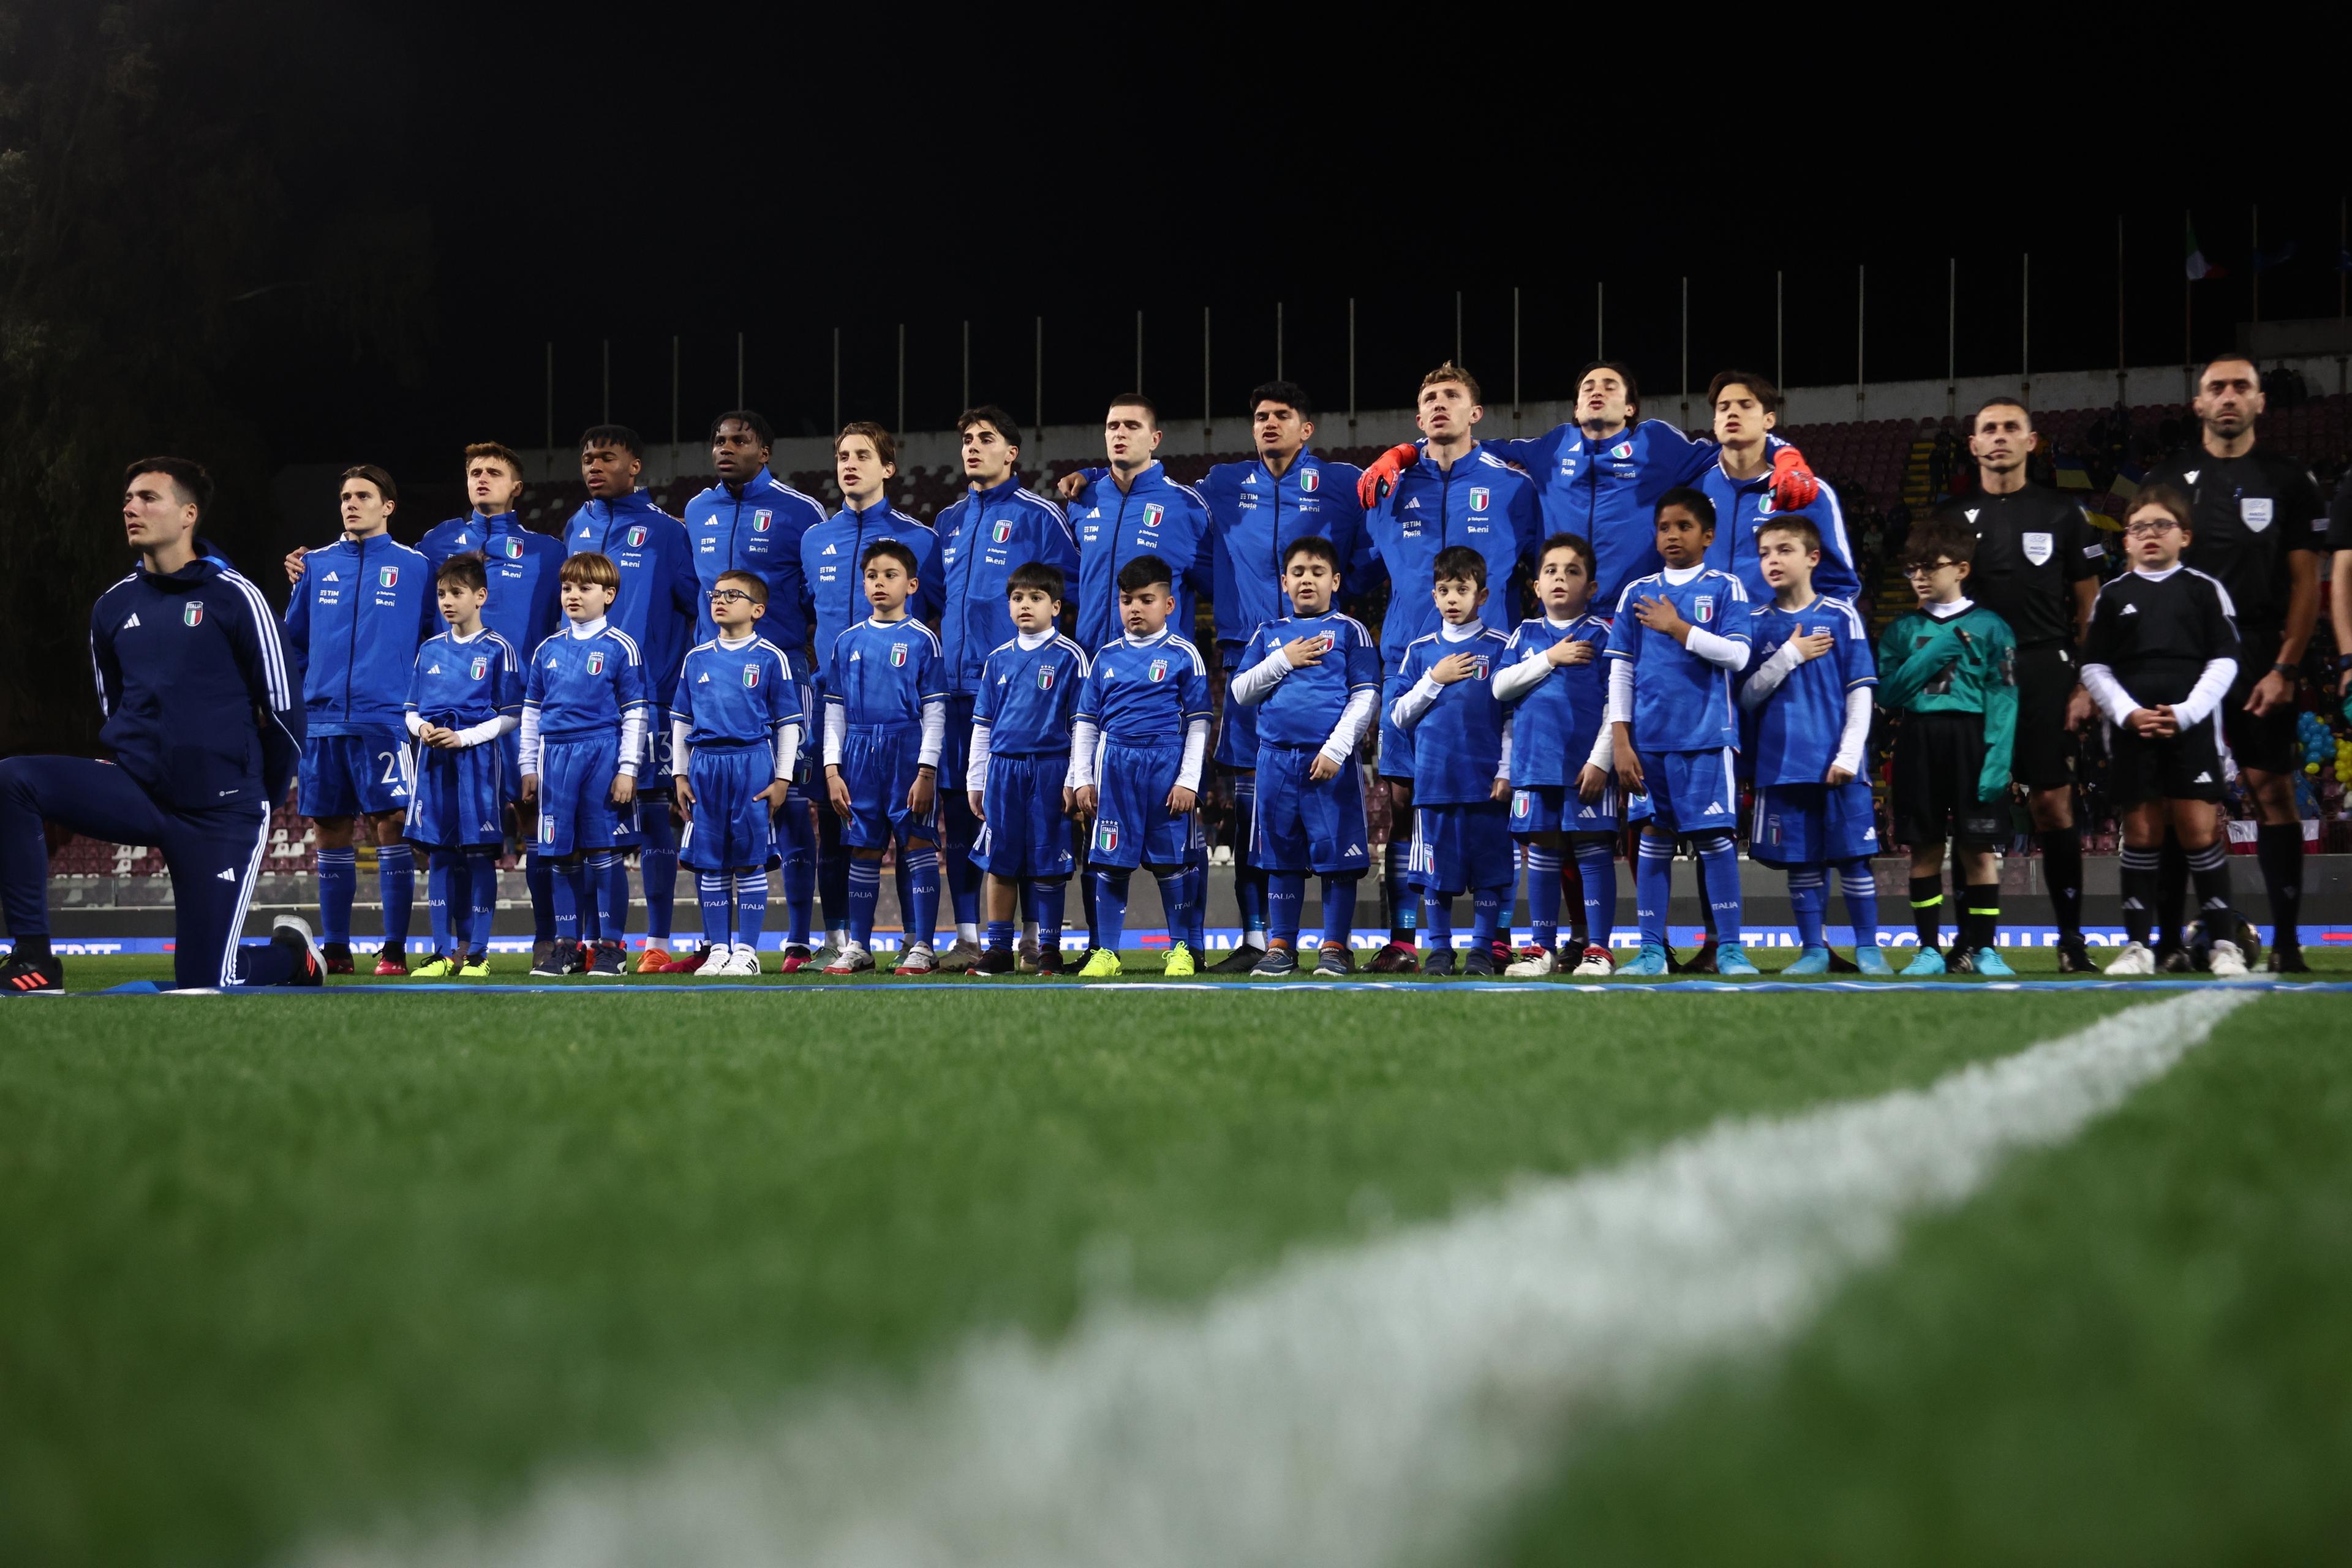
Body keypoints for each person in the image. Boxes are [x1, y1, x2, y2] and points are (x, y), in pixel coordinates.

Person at [1063, 379, 1368, 973]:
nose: (1269, 423)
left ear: (1308, 427)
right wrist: (1084, 472)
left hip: (1300, 667)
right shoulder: (1221, 487)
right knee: (1247, 816)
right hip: (1204, 667)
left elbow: (1371, 545)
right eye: (1260, 415)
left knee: (1232, 815)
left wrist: (1338, 605)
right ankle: (1257, 939)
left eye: (1283, 415)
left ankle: (1268, 942)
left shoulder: (1336, 484)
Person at [1, 459, 322, 994]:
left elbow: (287, 715)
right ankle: (33, 959)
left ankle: (293, 958)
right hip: (140, 793)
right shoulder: (112, 607)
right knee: (13, 779)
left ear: (188, 514)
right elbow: (116, 708)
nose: (131, 508)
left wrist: (251, 800)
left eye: (149, 498)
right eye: (128, 498)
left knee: (202, 982)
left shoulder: (236, 597)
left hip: (220, 813)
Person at [282, 443, 570, 971]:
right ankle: (456, 947)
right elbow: (408, 628)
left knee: (533, 822)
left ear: (517, 486)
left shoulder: (549, 552)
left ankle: (548, 940)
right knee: (452, 837)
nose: (482, 479)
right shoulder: (433, 546)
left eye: (493, 472)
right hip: (446, 717)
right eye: (474, 472)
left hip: (518, 710)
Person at [1357, 360, 1819, 614]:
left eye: (1611, 386)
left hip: (1636, 615)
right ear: (1576, 408)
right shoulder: (1552, 447)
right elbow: (1462, 446)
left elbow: (1734, 446)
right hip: (1561, 616)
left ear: (1632, 407)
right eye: (1588, 387)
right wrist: (1400, 453)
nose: (1598, 390)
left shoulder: (1659, 444)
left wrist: (1788, 457)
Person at [2143, 356, 2326, 971]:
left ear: (2259, 402)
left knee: (2272, 789)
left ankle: (2290, 945)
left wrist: (2287, 667)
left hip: (2257, 649)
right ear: (2197, 403)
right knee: (2174, 801)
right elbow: (2142, 574)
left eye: (2240, 387)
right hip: (2177, 651)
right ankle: (2169, 945)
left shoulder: (2289, 479)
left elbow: (2307, 584)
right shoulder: (2167, 478)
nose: (2228, 397)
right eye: (2215, 387)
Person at [1358, 363, 1541, 973]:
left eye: (1452, 396)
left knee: (1499, 805)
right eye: (1429, 397)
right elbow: (1361, 569)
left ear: (1475, 412)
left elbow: (1544, 572)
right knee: (1407, 806)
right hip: (1411, 667)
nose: (1440, 405)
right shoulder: (1386, 489)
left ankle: (1497, 939)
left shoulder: (1514, 487)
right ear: (1417, 418)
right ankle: (1407, 940)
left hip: (1493, 676)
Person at [1928, 398, 2103, 971]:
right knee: (1974, 810)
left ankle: (2072, 940)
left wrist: (2085, 682)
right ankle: (1973, 943)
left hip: (2043, 669)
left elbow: (2089, 603)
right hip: (1972, 675)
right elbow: (1932, 605)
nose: (1999, 437)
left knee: (2053, 805)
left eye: (2011, 428)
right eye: (1988, 430)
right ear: (1973, 445)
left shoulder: (2065, 513)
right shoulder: (1949, 518)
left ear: (2032, 441)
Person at [1063, 398, 1215, 957]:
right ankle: (1097, 947)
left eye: (1131, 426)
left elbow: (1212, 577)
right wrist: (1094, 476)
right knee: (1092, 822)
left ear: (1157, 437)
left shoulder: (1186, 507)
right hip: (1098, 683)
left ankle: (1189, 945)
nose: (1119, 434)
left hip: (1162, 698)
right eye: (1111, 426)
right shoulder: (1085, 501)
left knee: (1178, 833)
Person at [2079, 486, 2248, 978]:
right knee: (2142, 832)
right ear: (2126, 542)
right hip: (2133, 732)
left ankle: (2223, 945)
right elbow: (2094, 668)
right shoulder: (2112, 596)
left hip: (2191, 730)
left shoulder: (2203, 589)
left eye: (2162, 526)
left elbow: (2225, 659)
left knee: (2199, 830)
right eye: (2139, 528)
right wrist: (2129, 713)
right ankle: (2137, 947)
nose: (2150, 535)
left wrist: (2188, 712)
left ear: (2185, 536)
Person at [933, 406, 1079, 965]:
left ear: (1011, 452)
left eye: (985, 439)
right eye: (966, 439)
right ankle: (972, 935)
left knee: (1040, 826)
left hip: (1024, 697)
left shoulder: (1039, 517)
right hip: (955, 688)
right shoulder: (948, 521)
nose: (972, 447)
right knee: (964, 815)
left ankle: (1037, 940)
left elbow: (1072, 588)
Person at [281, 465, 438, 974]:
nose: (351, 504)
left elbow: (434, 642)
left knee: (391, 825)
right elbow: (295, 643)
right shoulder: (317, 565)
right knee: (330, 831)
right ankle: (337, 949)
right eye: (345, 496)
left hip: (386, 719)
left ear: (388, 506)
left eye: (363, 496)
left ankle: (394, 949)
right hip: (324, 722)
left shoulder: (417, 567)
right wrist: (305, 699)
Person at [804, 423, 943, 970]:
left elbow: (939, 610)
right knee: (840, 832)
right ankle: (842, 941)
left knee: (913, 836)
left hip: (903, 718)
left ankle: (920, 941)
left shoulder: (921, 541)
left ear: (888, 468)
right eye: (842, 455)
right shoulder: (816, 538)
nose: (850, 464)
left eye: (863, 455)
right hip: (842, 714)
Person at [1604, 491, 1758, 978]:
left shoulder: (1727, 587)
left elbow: (1738, 656)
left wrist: (1678, 628)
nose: (1672, 535)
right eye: (1665, 526)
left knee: (1715, 843)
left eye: (1684, 526)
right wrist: (1621, 742)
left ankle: (1730, 950)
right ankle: (1651, 951)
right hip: (1648, 745)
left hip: (1708, 739)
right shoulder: (1636, 593)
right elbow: (1621, 673)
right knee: (1652, 842)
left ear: (1708, 536)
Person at [565, 425, 701, 971]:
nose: (594, 465)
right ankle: (599, 941)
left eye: (607, 457)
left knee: (652, 821)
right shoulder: (577, 524)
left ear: (635, 466)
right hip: (582, 708)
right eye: (588, 457)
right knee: (590, 826)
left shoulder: (667, 532)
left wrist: (677, 688)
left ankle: (659, 942)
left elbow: (695, 608)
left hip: (648, 702)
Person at [1736, 517, 1889, 975]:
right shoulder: (1755, 623)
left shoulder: (1841, 615)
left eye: (1784, 550)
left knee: (1854, 861)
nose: (1772, 561)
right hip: (1782, 765)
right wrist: (1790, 656)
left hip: (1838, 764)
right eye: (1764, 553)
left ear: (1813, 557)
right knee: (1802, 864)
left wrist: (1847, 755)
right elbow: (1746, 697)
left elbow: (1860, 691)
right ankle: (1813, 951)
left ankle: (1869, 949)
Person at [1225, 536, 1379, 977]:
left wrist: (1335, 749)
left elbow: (1366, 695)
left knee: (1338, 859)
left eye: (1316, 572)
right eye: (1298, 573)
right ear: (1284, 582)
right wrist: (1284, 660)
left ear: (1335, 581)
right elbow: (1240, 691)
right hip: (1275, 762)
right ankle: (1281, 947)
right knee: (1280, 858)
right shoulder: (1269, 634)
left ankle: (1335, 947)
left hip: (1329, 764)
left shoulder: (1351, 630)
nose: (1306, 580)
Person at [1876, 519, 2019, 977]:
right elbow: (1889, 694)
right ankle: (1927, 950)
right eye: (1911, 569)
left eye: (1928, 567)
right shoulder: (1901, 631)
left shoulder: (1993, 627)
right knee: (1924, 849)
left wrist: (1998, 757)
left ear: (1961, 569)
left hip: (1973, 740)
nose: (1918, 576)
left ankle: (1985, 950)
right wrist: (1934, 653)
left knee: (1978, 850)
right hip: (1918, 738)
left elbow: (2005, 694)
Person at [1068, 554, 1212, 978]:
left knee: (1172, 862)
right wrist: (1081, 779)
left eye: (1146, 599)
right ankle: (1107, 953)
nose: (1134, 608)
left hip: (1166, 766)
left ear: (1169, 605)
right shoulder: (1105, 657)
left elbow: (1200, 722)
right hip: (1115, 768)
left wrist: (1189, 781)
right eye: (1127, 599)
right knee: (1111, 862)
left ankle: (1181, 950)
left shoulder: (1185, 654)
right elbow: (1086, 722)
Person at [1491, 533, 1627, 978]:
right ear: (1536, 586)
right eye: (1551, 571)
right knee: (1544, 856)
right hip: (1534, 767)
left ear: (1591, 587)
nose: (1560, 579)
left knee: (1591, 853)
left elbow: (1617, 702)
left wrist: (1601, 760)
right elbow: (1500, 688)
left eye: (1573, 572)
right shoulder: (1525, 634)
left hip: (1584, 768)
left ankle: (1598, 949)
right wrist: (1551, 657)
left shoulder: (1603, 634)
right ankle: (1541, 949)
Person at [518, 552, 649, 978]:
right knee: (561, 856)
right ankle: (566, 947)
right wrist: (528, 766)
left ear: (609, 595)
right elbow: (531, 714)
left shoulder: (620, 647)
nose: (573, 595)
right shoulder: (547, 649)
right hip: (555, 758)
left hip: (601, 754)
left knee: (604, 853)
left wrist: (628, 767)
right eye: (567, 587)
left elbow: (635, 712)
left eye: (585, 587)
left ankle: (611, 949)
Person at [821, 541, 947, 976]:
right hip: (857, 752)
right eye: (872, 575)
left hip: (906, 749)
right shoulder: (847, 640)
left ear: (911, 585)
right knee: (863, 849)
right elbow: (834, 710)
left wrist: (927, 769)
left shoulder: (923, 640)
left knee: (917, 843)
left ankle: (924, 946)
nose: (880, 582)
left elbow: (934, 710)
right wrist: (832, 769)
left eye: (890, 575)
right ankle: (859, 946)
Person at [671, 569, 804, 978]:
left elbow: (788, 724)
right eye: (717, 593)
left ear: (757, 610)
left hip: (751, 764)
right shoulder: (696, 658)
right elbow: (680, 719)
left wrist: (782, 779)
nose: (720, 600)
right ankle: (718, 951)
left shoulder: (770, 657)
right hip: (706, 766)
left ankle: (746, 951)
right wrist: (679, 774)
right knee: (710, 863)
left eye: (733, 594)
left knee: (750, 860)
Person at [1390, 546, 1517, 975]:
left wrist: (1505, 770)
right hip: (1435, 785)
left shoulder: (1503, 647)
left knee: (1489, 875)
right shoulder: (1422, 651)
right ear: (1434, 594)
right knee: (1434, 876)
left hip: (1485, 785)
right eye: (1444, 590)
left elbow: (1512, 717)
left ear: (1481, 595)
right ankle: (1440, 951)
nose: (1451, 598)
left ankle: (1482, 951)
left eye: (1461, 589)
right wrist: (1433, 679)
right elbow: (1397, 714)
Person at [964, 561, 1088, 977]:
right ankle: (998, 948)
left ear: (1055, 607)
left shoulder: (1072, 657)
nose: (1025, 605)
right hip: (1003, 770)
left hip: (1051, 769)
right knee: (1000, 862)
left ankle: (1048, 949)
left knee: (1050, 863)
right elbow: (983, 725)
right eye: (1017, 598)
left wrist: (1075, 777)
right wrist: (975, 779)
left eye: (1035, 598)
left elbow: (1081, 724)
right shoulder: (997, 659)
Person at [402, 552, 522, 978]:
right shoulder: (429, 650)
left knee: (476, 857)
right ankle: (441, 952)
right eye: (441, 594)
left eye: (456, 593)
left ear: (480, 596)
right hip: (435, 761)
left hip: (478, 764)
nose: (447, 601)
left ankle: (478, 954)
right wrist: (421, 731)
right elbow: (411, 709)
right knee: (438, 855)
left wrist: (465, 737)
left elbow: (512, 714)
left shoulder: (499, 649)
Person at [1697, 372, 1859, 601]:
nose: (1732, 412)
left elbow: (1840, 585)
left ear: (1769, 420)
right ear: (1715, 423)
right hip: (1704, 634)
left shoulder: (1809, 492)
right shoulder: (1695, 488)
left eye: (1746, 405)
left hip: (1781, 635)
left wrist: (1815, 630)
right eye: (1723, 408)